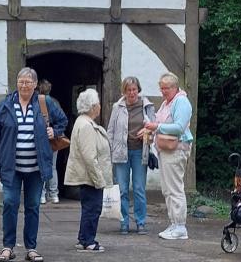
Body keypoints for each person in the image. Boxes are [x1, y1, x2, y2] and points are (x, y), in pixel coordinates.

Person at [0, 67, 68, 262]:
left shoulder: (44, 103)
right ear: (17, 83)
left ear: (34, 85)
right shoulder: (4, 106)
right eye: (21, 81)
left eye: (28, 82)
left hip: (36, 168)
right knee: (10, 204)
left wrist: (54, 131)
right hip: (10, 168)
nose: (24, 85)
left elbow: (63, 121)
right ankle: (8, 247)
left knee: (32, 206)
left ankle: (31, 248)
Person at [143, 72, 194, 241]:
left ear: (174, 87)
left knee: (174, 188)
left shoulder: (182, 102)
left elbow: (179, 127)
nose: (163, 91)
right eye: (161, 88)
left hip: (176, 149)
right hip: (166, 150)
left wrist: (156, 126)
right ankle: (174, 223)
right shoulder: (167, 102)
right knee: (167, 189)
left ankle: (180, 226)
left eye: (165, 88)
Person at [66, 88, 114, 251]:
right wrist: (99, 180)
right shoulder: (86, 125)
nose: (100, 106)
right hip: (90, 177)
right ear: (93, 106)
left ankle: (83, 239)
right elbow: (89, 157)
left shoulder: (84, 122)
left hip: (89, 176)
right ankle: (88, 241)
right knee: (93, 209)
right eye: (98, 103)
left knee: (89, 208)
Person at [108, 76, 157, 235]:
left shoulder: (147, 106)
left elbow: (154, 128)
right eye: (128, 90)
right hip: (121, 152)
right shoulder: (118, 107)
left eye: (134, 89)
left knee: (138, 189)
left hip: (139, 152)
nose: (131, 93)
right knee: (122, 189)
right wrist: (109, 152)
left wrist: (148, 131)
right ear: (124, 91)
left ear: (138, 89)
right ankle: (124, 222)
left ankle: (140, 222)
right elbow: (111, 131)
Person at [38, 79, 63, 205]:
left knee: (41, 166)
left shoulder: (36, 101)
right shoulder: (55, 102)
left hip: (41, 138)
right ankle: (54, 195)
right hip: (54, 138)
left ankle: (42, 195)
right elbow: (62, 119)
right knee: (53, 167)